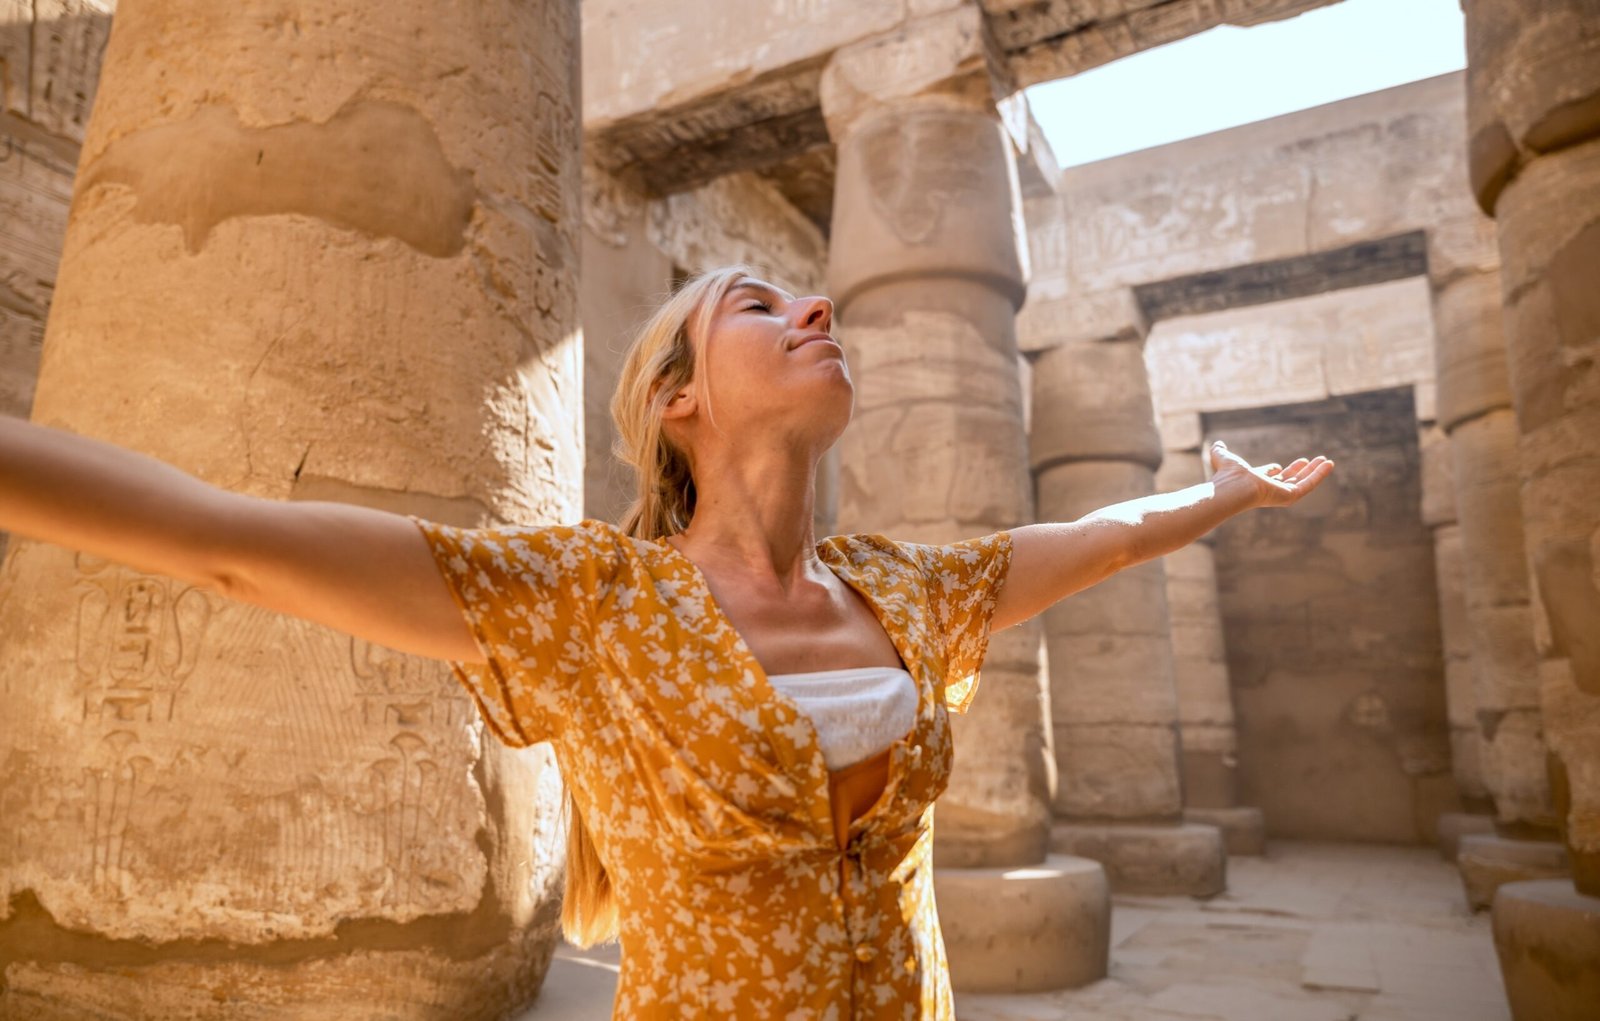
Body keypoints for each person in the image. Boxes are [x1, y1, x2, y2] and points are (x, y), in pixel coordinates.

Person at [0, 264, 1333, 1018]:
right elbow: (227, 539)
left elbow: (1097, 538)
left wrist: (1216, 495)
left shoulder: (912, 591)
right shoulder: (591, 603)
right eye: (766, 307)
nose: (820, 313)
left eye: (819, 305)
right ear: (679, 397)